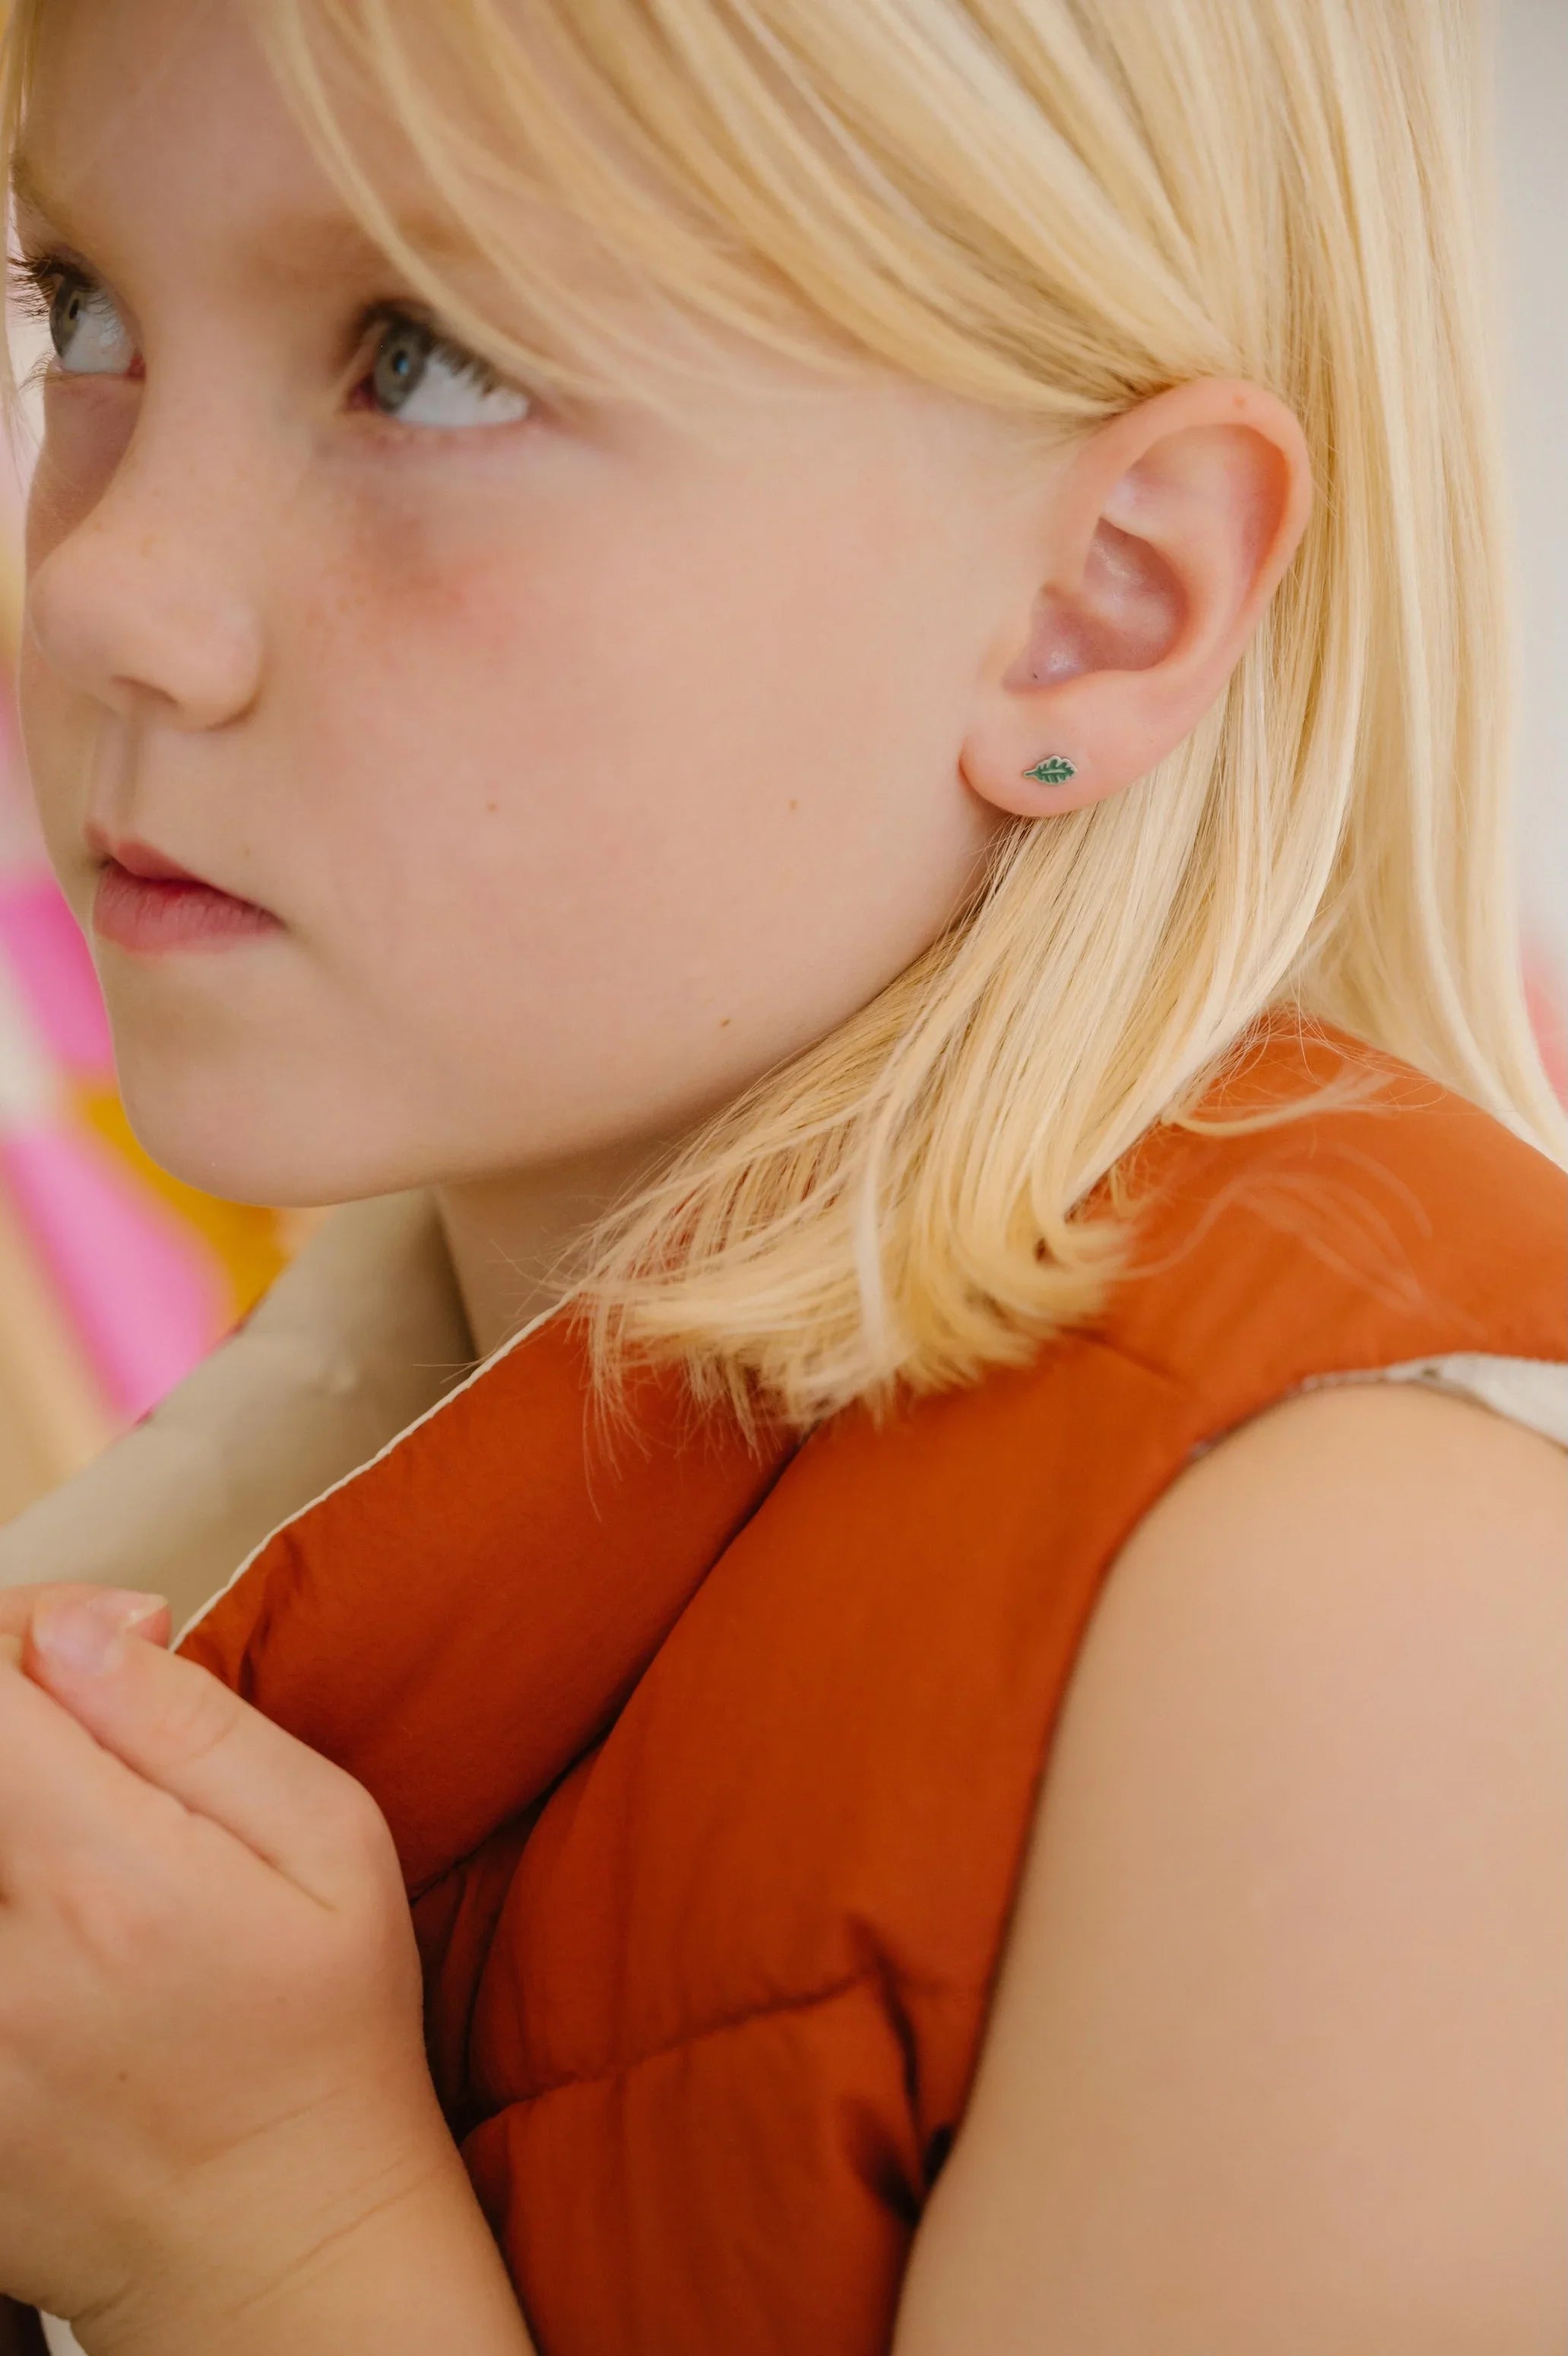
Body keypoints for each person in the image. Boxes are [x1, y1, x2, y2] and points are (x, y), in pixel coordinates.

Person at [0, 1, 1562, 2350]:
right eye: (82, 309)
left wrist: (269, 2242)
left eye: (422, 361)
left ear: (1103, 595)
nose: (101, 582)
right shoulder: (364, 1423)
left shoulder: (1377, 1633)